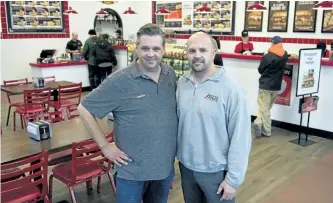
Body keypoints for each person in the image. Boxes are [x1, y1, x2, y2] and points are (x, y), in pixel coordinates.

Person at [77, 23, 177, 203]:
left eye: (156, 48)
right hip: (131, 172)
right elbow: (84, 109)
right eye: (145, 48)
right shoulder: (120, 80)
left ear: (163, 49)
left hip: (163, 170)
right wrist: (105, 147)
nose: (151, 54)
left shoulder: (170, 74)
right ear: (136, 48)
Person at [176, 31, 252, 203]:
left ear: (213, 52)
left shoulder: (230, 89)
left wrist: (233, 179)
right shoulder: (182, 83)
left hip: (216, 171)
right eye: (192, 51)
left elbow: (241, 137)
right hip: (186, 167)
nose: (197, 56)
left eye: (203, 50)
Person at [253, 36, 288, 138]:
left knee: (265, 109)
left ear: (273, 43)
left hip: (265, 85)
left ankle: (266, 131)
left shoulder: (268, 56)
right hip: (276, 86)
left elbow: (260, 70)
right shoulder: (285, 55)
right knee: (265, 108)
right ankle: (258, 122)